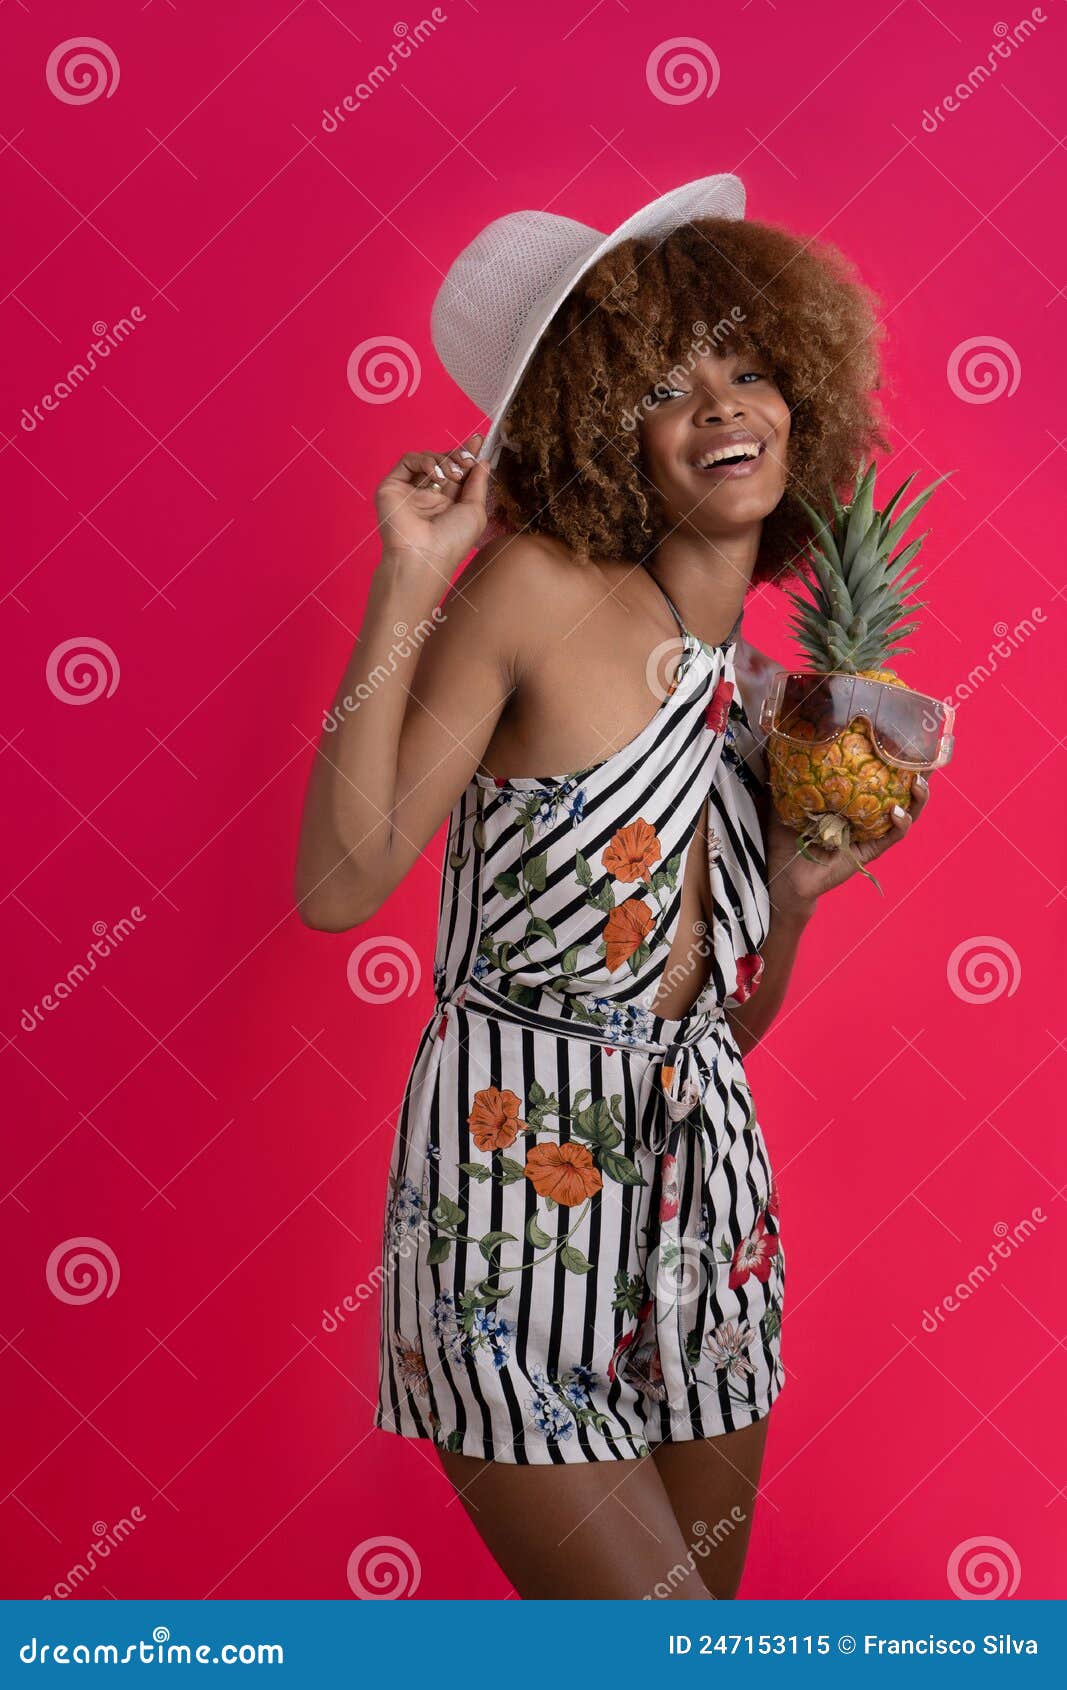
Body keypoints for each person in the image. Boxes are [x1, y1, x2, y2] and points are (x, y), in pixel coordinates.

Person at [294, 175, 929, 1600]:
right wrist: (406, 581)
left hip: (709, 1218)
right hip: (512, 1205)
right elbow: (338, 884)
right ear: (600, 425)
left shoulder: (772, 713)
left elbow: (707, 1036)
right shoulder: (536, 591)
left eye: (748, 367)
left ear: (799, 400)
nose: (722, 404)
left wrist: (809, 888)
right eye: (666, 381)